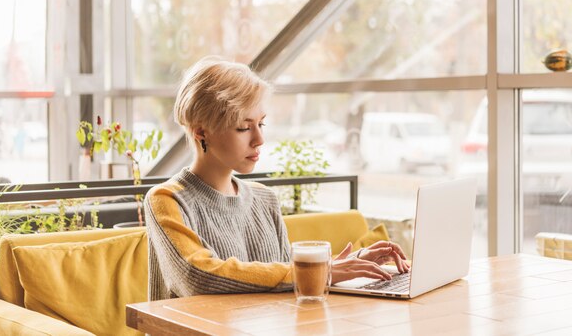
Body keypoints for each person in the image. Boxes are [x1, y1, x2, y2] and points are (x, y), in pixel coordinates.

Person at [144, 57, 410, 300]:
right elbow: (198, 276)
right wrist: (322, 269)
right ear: (201, 132)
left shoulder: (264, 199)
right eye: (243, 127)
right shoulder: (167, 200)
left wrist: (356, 264)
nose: (259, 139)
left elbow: (284, 284)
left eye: (261, 124)